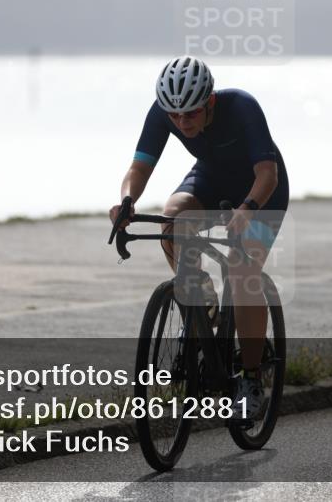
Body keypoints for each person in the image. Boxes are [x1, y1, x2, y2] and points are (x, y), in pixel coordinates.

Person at [109, 55, 289, 420]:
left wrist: (248, 208)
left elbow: (267, 173)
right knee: (172, 219)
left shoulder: (241, 106)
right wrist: (127, 201)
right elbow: (139, 167)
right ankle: (201, 295)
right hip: (210, 177)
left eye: (189, 114)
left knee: (242, 273)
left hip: (261, 188)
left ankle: (251, 379)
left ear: (209, 102)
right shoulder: (164, 113)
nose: (181, 122)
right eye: (174, 115)